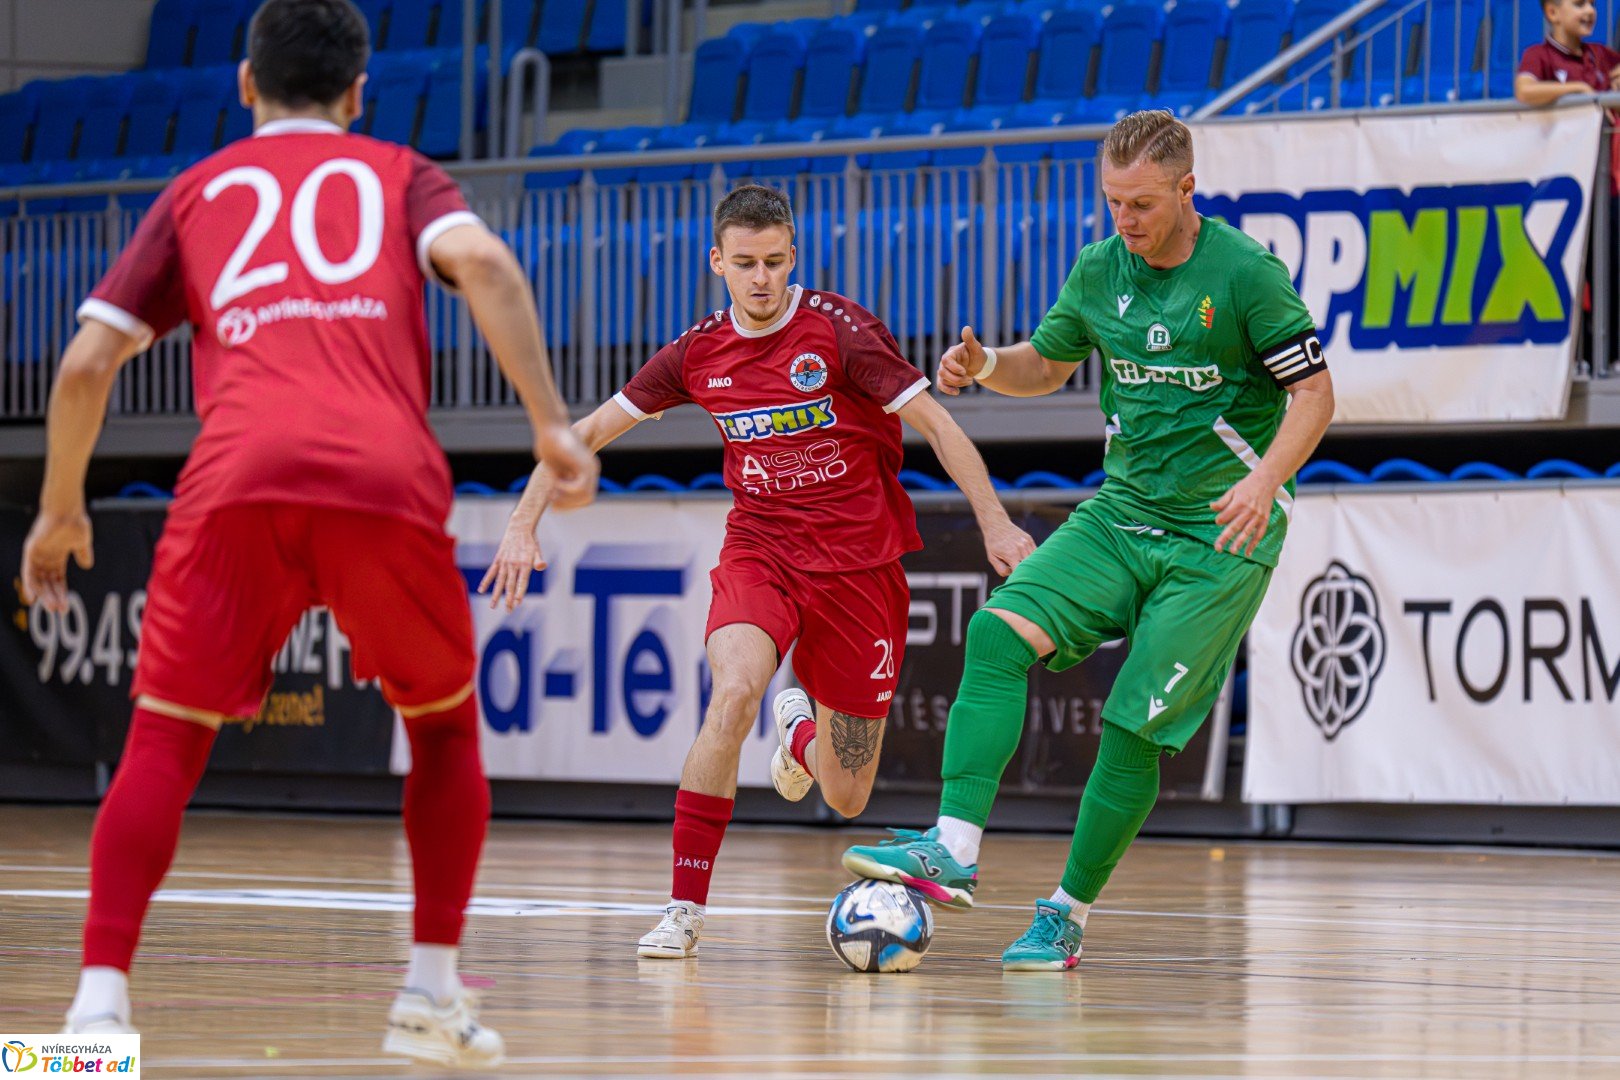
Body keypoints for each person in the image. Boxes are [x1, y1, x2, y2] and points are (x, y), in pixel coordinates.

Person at [19, 0, 596, 1065]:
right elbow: (491, 269)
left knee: (164, 740)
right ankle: (429, 996)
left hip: (235, 479)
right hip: (381, 478)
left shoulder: (195, 192)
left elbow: (86, 365)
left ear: (245, 84)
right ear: (359, 94)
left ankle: (94, 1020)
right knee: (442, 728)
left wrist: (59, 509)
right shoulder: (399, 174)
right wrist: (552, 426)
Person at [480, 184, 1036, 959]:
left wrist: (995, 521)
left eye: (775, 261)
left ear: (793, 256)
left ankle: (799, 730)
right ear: (717, 261)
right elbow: (588, 431)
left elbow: (938, 425)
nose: (761, 278)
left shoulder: (841, 332)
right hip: (761, 551)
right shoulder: (697, 351)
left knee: (846, 794)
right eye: (745, 264)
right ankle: (683, 910)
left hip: (858, 568)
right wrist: (521, 521)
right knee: (733, 694)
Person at [841, 110, 1336, 970]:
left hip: (1220, 535)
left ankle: (1064, 915)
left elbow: (1316, 396)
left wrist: (1264, 481)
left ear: (1187, 189)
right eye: (1113, 201)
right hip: (1122, 510)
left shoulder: (1247, 274)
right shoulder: (1100, 266)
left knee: (1132, 727)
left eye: (1142, 203)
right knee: (996, 634)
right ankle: (952, 847)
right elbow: (1048, 361)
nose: (1124, 219)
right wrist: (986, 365)